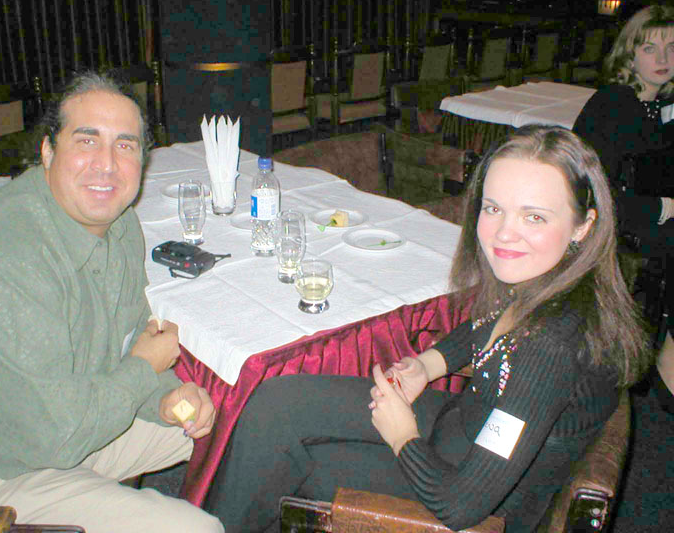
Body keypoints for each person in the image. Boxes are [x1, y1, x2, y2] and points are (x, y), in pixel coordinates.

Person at [202, 126, 651, 533]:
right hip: (460, 429)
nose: (503, 233)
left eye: (534, 217)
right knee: (277, 403)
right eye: (493, 208)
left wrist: (403, 435)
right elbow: (485, 328)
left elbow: (459, 506)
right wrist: (427, 364)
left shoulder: (550, 345)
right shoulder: (548, 281)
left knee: (296, 465)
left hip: (475, 495)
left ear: (583, 226)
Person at [0, 71, 224, 533]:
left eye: (125, 145)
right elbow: (58, 434)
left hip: (71, 424)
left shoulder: (119, 225)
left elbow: (131, 345)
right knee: (195, 531)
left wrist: (168, 400)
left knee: (222, 419)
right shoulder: (3, 261)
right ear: (48, 151)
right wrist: (145, 369)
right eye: (87, 141)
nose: (106, 164)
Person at [572, 4, 674, 413]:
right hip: (612, 223)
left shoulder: (662, 104)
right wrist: (661, 207)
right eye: (650, 48)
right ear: (629, 55)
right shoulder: (613, 104)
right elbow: (591, 193)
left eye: (672, 48)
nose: (663, 58)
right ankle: (668, 360)